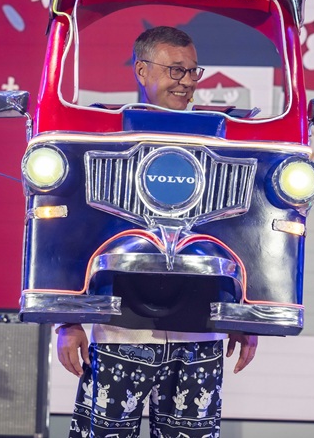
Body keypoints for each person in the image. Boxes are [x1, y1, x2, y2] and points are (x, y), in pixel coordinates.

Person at [56, 26, 258, 438]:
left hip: (200, 331)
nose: (187, 82)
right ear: (142, 70)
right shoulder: (104, 137)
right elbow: (75, 230)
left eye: (193, 71)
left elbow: (242, 232)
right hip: (118, 329)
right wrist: (67, 322)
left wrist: (245, 314)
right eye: (175, 70)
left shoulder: (222, 141)